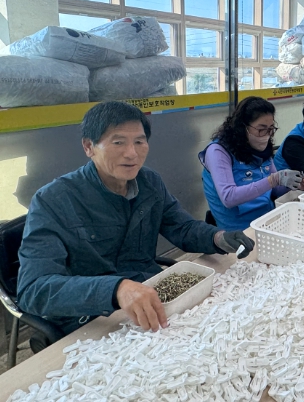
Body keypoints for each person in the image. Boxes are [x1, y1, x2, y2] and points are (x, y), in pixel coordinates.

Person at [17, 102, 255, 340]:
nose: (132, 153)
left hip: (151, 298)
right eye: (118, 142)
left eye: (139, 142)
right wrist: (116, 289)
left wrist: (218, 237)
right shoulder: (54, 200)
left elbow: (181, 227)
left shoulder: (149, 182)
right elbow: (34, 289)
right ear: (89, 147)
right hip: (91, 319)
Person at [199, 97, 304, 232]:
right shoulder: (218, 151)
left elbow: (276, 190)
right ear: (243, 127)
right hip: (239, 229)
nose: (267, 135)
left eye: (271, 129)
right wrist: (272, 180)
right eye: (261, 129)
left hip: (268, 219)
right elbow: (228, 197)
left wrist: (292, 184)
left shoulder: (261, 147)